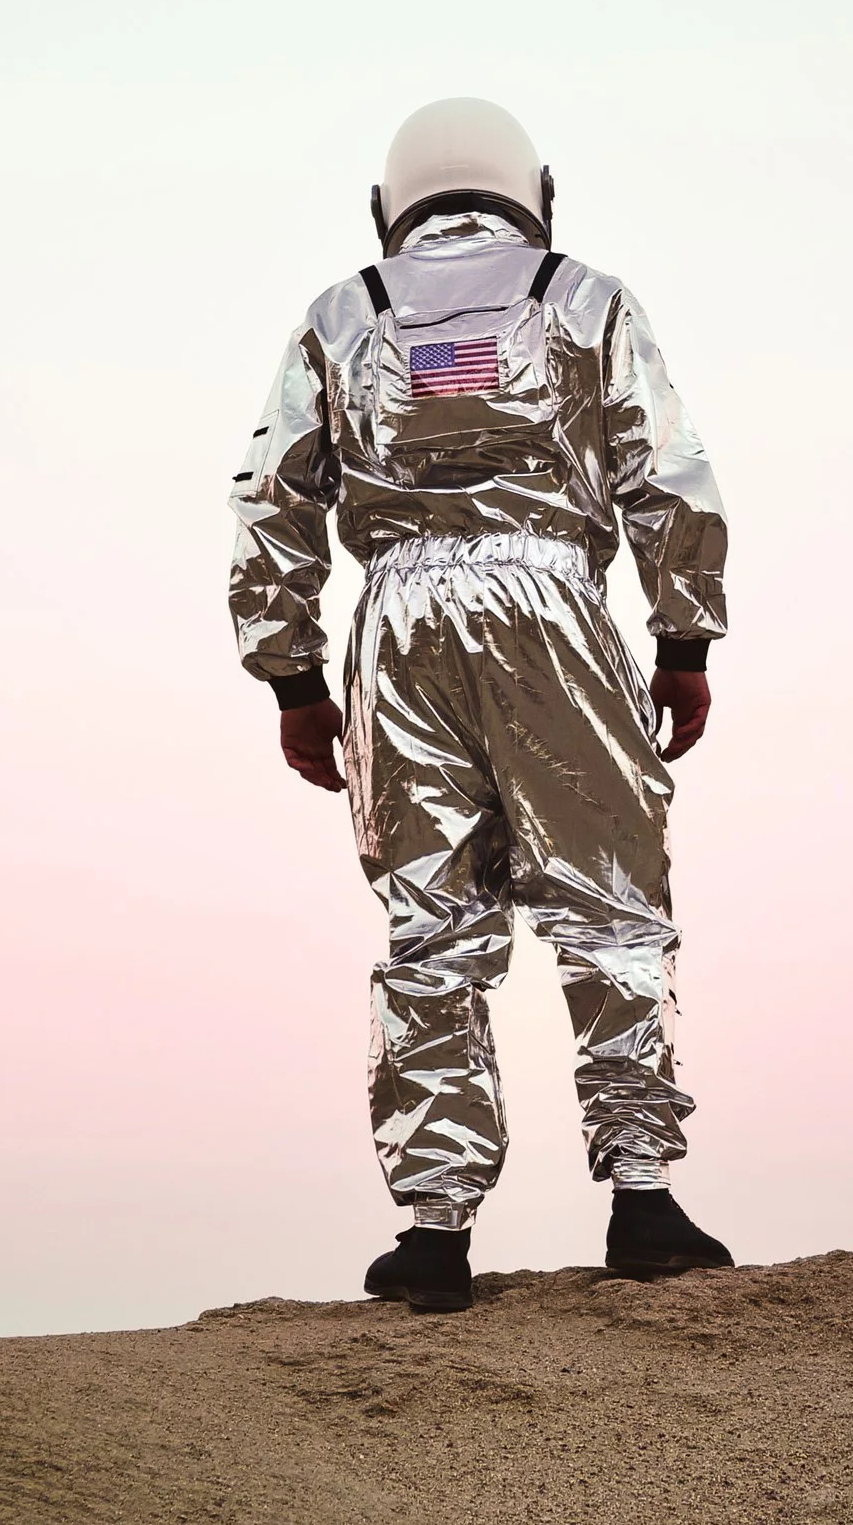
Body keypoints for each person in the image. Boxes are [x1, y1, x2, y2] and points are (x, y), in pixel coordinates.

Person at [230, 97, 734, 1315]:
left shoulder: (339, 315)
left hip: (396, 625)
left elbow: (272, 503)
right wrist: (682, 637)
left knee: (428, 921)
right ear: (537, 193)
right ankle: (644, 1198)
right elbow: (661, 470)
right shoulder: (584, 297)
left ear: (383, 209)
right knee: (609, 897)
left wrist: (293, 678)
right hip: (553, 600)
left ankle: (433, 1231)